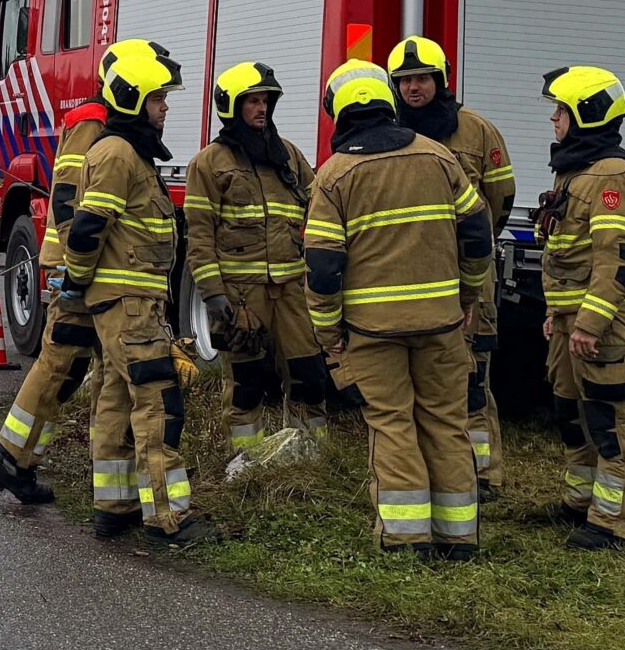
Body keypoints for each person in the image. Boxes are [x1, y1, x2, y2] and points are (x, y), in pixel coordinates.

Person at [302, 61, 492, 560]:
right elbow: (478, 235)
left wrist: (326, 333)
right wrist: (467, 297)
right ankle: (459, 536)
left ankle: (407, 539)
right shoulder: (439, 157)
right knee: (446, 422)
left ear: (339, 114)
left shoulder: (333, 176)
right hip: (443, 323)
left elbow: (323, 268)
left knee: (392, 424)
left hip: (372, 330)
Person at [61, 39, 212, 546]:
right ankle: (170, 518)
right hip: (129, 305)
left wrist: (83, 288)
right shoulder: (118, 154)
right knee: (158, 403)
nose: (165, 107)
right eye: (158, 99)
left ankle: (115, 505)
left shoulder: (123, 152)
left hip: (127, 303)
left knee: (116, 400)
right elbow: (86, 230)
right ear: (132, 99)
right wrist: (76, 284)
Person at [388, 36, 515, 498]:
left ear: (441, 81)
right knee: (420, 373)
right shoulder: (391, 132)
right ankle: (431, 465)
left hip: (469, 275)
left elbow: (501, 198)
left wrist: (475, 248)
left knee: (472, 373)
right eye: (403, 81)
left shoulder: (476, 130)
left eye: (421, 78)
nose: (413, 88)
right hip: (413, 274)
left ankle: (482, 474)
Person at [183, 62, 324, 473]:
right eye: (253, 102)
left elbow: (318, 211)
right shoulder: (209, 164)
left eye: (266, 101)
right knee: (247, 385)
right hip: (241, 295)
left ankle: (309, 461)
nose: (261, 109)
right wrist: (212, 294)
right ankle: (246, 465)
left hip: (291, 290)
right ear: (232, 107)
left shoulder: (290, 158)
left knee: (309, 376)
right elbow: (200, 235)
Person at [0, 98, 127, 505]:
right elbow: (67, 198)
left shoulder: (107, 126)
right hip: (78, 273)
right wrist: (74, 268)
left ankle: (20, 461)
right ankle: (11, 460)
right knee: (60, 364)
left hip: (91, 273)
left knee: (72, 367)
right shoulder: (91, 123)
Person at [536, 66, 625, 550]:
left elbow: (615, 259)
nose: (555, 121)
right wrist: (558, 315)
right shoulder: (576, 170)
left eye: (561, 111)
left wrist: (590, 322)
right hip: (569, 323)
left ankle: (615, 521)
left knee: (609, 418)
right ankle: (581, 502)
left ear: (586, 114)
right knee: (570, 411)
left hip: (596, 327)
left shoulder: (613, 176)